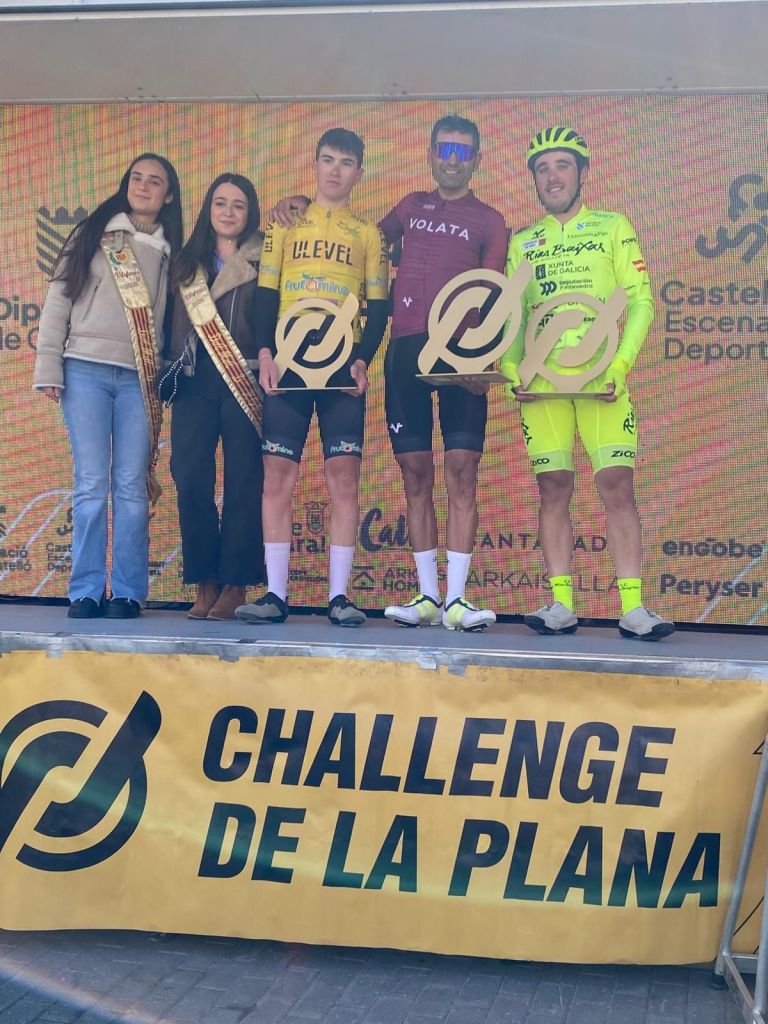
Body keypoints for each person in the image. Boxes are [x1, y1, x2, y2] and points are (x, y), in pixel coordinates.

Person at [270, 115, 508, 632]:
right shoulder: (409, 207)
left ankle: (458, 599)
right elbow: (359, 244)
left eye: (462, 152)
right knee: (415, 472)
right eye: (444, 149)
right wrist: (301, 204)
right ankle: (428, 596)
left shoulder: (490, 220)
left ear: (476, 159)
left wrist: (485, 355)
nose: (452, 159)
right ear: (430, 153)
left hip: (461, 354)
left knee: (462, 471)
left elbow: (494, 293)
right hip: (404, 351)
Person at [500, 126, 674, 640]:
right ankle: (561, 604)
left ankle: (633, 609)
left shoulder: (612, 226)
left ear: (582, 173)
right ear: (534, 179)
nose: (552, 177)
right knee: (553, 487)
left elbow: (641, 300)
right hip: (543, 388)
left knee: (617, 485)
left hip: (601, 381)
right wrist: (512, 371)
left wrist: (619, 367)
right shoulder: (523, 242)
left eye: (562, 166)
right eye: (542, 168)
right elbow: (513, 316)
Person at [235, 128, 389, 627]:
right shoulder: (285, 224)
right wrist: (264, 352)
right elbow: (266, 293)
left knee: (344, 477)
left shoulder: (368, 233)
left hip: (341, 367)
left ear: (359, 172)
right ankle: (275, 594)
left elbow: (379, 306)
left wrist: (363, 358)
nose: (335, 170)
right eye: (327, 160)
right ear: (315, 164)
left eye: (346, 162)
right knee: (277, 476)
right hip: (289, 364)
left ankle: (339, 596)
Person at [33, 153, 183, 619]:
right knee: (92, 484)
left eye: (154, 181)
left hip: (140, 377)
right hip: (85, 369)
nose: (143, 186)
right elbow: (59, 297)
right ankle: (85, 589)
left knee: (132, 487)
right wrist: (49, 367)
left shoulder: (172, 250)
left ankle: (128, 592)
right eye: (137, 178)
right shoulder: (95, 233)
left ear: (169, 195)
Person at [166, 173, 265, 620]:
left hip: (244, 376)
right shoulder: (187, 262)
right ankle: (204, 579)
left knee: (244, 480)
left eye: (238, 205)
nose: (228, 212)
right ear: (208, 209)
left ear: (251, 213)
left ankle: (235, 583)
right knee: (190, 478)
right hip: (194, 380)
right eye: (220, 202)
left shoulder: (265, 257)